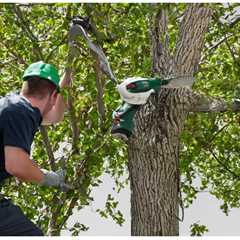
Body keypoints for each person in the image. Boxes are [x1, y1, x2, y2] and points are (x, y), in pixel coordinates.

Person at [0, 61, 72, 236]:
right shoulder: (19, 112)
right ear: (53, 96)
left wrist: (68, 75)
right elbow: (16, 165)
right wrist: (48, 178)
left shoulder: (13, 105)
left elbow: (56, 116)